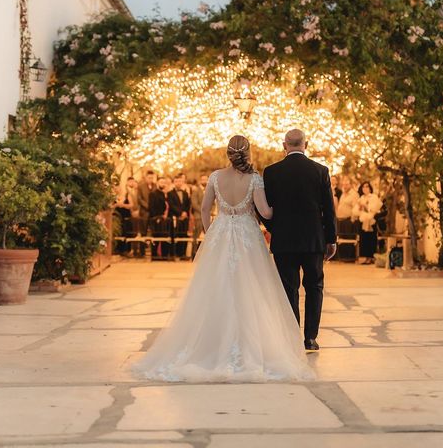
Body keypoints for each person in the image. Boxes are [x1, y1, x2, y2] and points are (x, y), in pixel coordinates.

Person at [133, 135, 314, 382]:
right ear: (248, 153)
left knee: (214, 290)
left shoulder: (216, 177)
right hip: (247, 236)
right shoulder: (254, 179)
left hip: (221, 235)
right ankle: (250, 345)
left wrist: (211, 233)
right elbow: (265, 212)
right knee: (250, 290)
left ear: (227, 154)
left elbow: (205, 209)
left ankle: (210, 343)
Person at [263, 129, 337, 351]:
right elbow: (328, 209)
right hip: (314, 240)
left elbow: (264, 209)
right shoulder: (320, 171)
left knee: (289, 288)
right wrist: (331, 238)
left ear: (284, 145)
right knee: (314, 286)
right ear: (306, 144)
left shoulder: (271, 172)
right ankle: (311, 337)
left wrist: (274, 229)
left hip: (284, 241)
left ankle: (292, 336)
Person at [353, 181, 383, 264]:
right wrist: (360, 208)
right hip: (362, 220)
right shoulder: (361, 198)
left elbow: (374, 209)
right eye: (363, 187)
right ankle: (365, 257)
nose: (365, 188)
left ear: (370, 188)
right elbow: (355, 210)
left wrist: (365, 206)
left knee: (371, 239)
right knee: (363, 239)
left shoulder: (373, 197)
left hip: (371, 221)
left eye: (367, 187)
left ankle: (371, 257)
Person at [167, 175, 191, 258]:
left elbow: (188, 205)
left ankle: (182, 254)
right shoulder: (169, 194)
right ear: (174, 183)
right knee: (175, 235)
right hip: (174, 217)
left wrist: (185, 213)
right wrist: (180, 213)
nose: (178, 183)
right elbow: (171, 205)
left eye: (180, 181)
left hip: (184, 218)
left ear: (182, 182)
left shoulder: (185, 193)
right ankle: (174, 253)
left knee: (184, 234)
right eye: (176, 181)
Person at [135, 170, 157, 257]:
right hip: (144, 212)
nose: (150, 179)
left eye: (152, 178)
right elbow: (139, 199)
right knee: (143, 232)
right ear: (146, 177)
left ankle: (153, 252)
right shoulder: (141, 186)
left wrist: (153, 207)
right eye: (149, 177)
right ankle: (141, 252)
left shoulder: (155, 186)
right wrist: (147, 206)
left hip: (153, 213)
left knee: (154, 232)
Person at [190, 173, 209, 258]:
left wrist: (210, 211)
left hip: (209, 217)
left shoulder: (210, 190)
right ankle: (193, 254)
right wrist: (203, 211)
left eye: (206, 179)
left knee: (209, 236)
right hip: (198, 216)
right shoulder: (196, 191)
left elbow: (213, 203)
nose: (204, 181)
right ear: (200, 181)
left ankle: (208, 255)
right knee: (196, 236)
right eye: (203, 179)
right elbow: (194, 204)